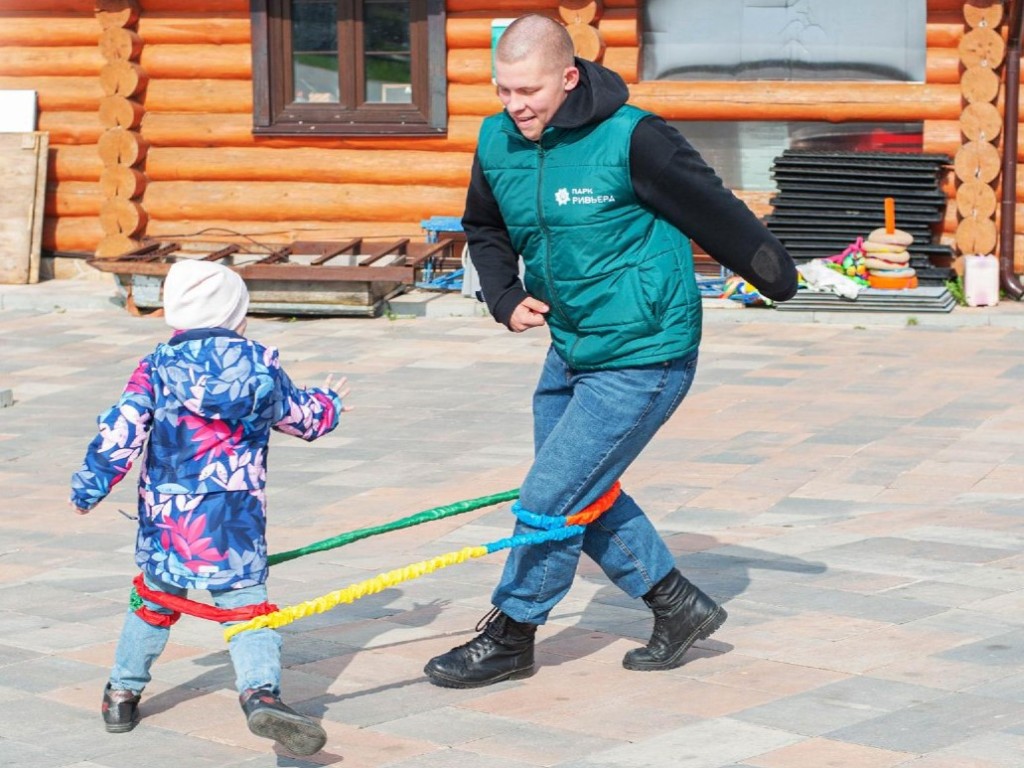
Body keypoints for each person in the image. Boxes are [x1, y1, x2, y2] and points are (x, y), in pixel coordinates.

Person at [423, 14, 798, 688]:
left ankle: (512, 632)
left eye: (529, 91)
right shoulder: (496, 139)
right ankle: (677, 605)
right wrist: (504, 295)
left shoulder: (634, 138)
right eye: (503, 91)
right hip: (570, 343)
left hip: (644, 352)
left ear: (568, 77)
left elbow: (712, 208)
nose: (515, 106)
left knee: (549, 494)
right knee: (579, 489)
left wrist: (776, 273)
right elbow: (483, 225)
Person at [70, 259, 349, 756]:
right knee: (247, 610)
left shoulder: (155, 367)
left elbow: (123, 431)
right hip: (233, 520)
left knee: (154, 601)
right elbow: (303, 419)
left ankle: (121, 693)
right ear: (235, 315)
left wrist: (89, 487)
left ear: (177, 316)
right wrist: (329, 400)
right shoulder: (261, 365)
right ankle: (260, 693)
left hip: (169, 521)